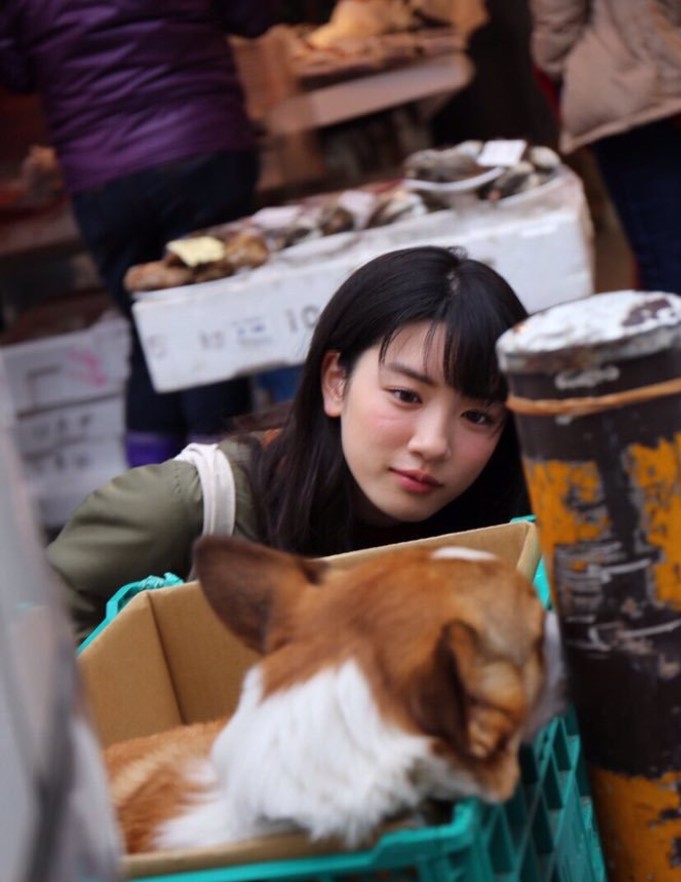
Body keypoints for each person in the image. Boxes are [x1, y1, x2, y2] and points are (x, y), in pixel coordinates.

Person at [46, 246, 531, 644]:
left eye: (477, 416)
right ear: (336, 382)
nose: (432, 444)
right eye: (406, 395)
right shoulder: (186, 508)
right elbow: (27, 640)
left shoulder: (515, 537)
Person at [0, 0, 274, 467]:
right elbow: (253, 15)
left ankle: (155, 507)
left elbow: (15, 69)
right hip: (200, 152)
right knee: (208, 325)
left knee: (151, 333)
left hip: (103, 179)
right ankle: (222, 496)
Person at [529, 0, 681, 304]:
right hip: (675, 76)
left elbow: (557, 24)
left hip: (629, 92)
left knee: (669, 254)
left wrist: (563, 66)